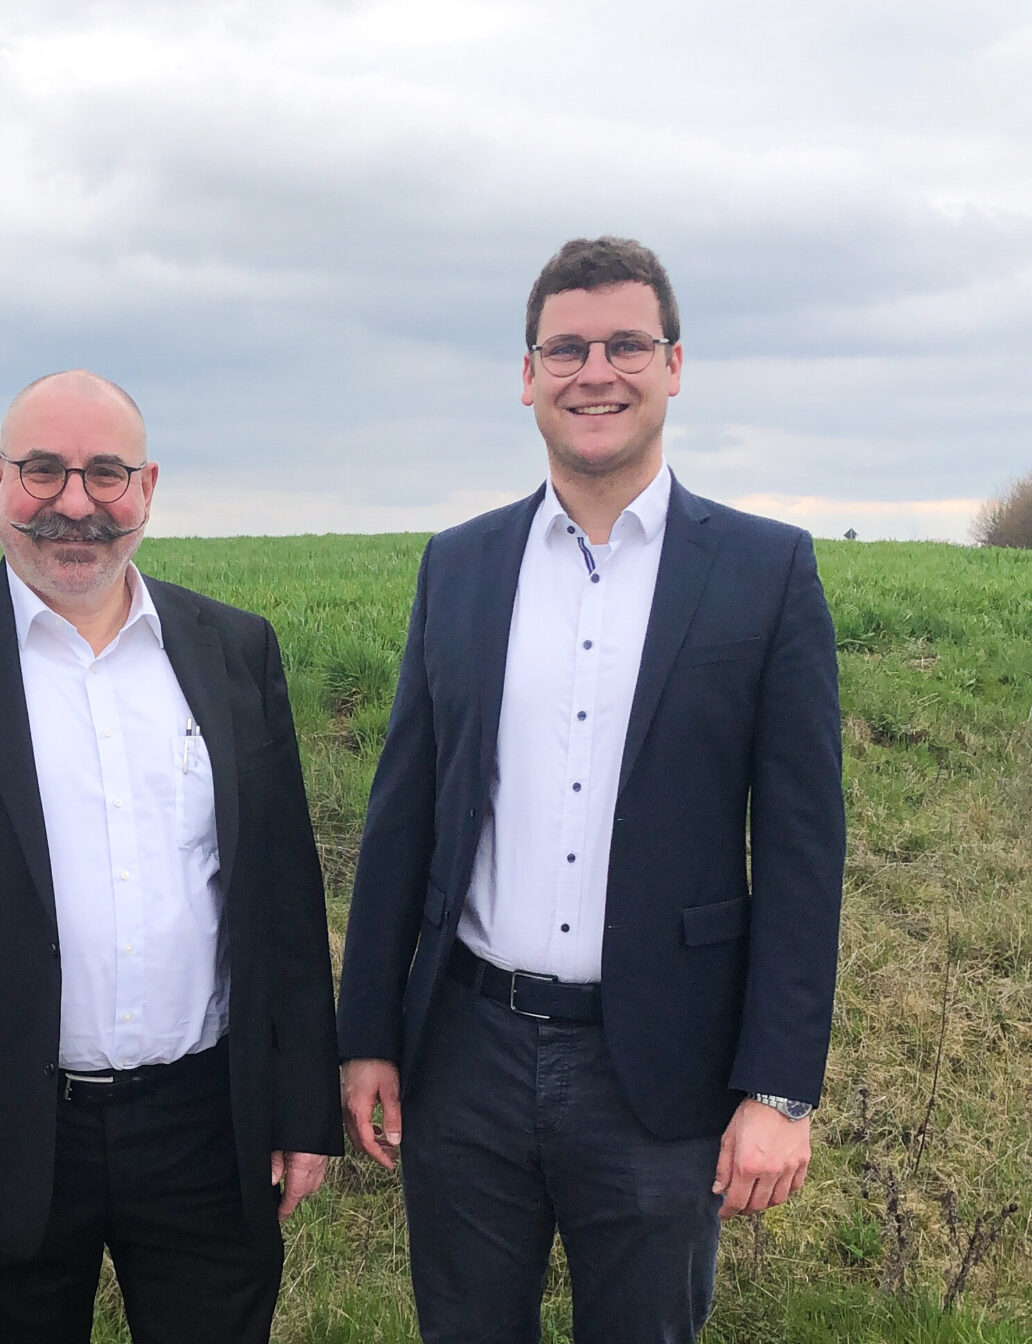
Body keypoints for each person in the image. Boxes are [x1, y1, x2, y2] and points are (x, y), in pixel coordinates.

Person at [337, 238, 845, 1343]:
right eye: (565, 348)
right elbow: (403, 810)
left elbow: (806, 853)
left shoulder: (767, 570)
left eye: (624, 344)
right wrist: (367, 1028)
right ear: (528, 375)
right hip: (465, 1052)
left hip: (664, 1063)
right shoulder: (460, 563)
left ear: (673, 364)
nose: (594, 371)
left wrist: (779, 1086)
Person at [0, 370, 340, 1343]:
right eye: (43, 470)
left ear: (146, 486)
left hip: (207, 1122)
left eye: (105, 473)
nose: (74, 502)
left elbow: (280, 894)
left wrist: (302, 1105)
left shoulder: (233, 650)